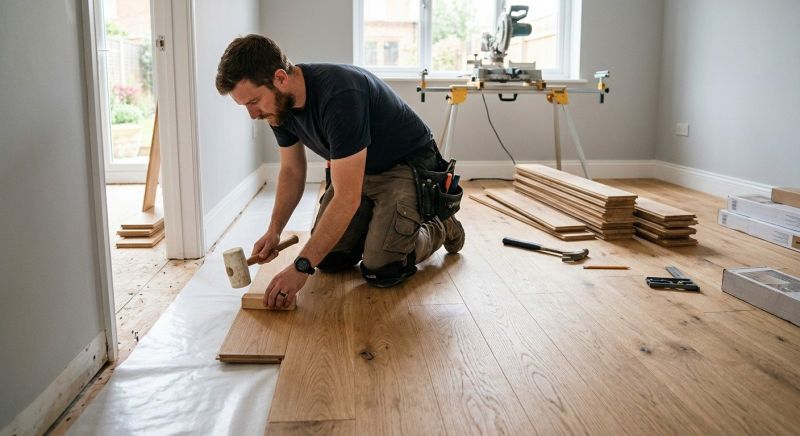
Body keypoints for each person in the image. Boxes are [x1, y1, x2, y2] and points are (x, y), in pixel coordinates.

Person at [215, 34, 464, 309]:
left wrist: (299, 268)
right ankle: (381, 223)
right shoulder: (278, 108)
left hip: (405, 167)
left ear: (280, 78)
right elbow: (292, 170)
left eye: (253, 101)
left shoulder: (340, 95)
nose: (252, 114)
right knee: (329, 259)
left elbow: (346, 198)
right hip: (358, 171)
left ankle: (440, 225)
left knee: (381, 269)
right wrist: (274, 231)